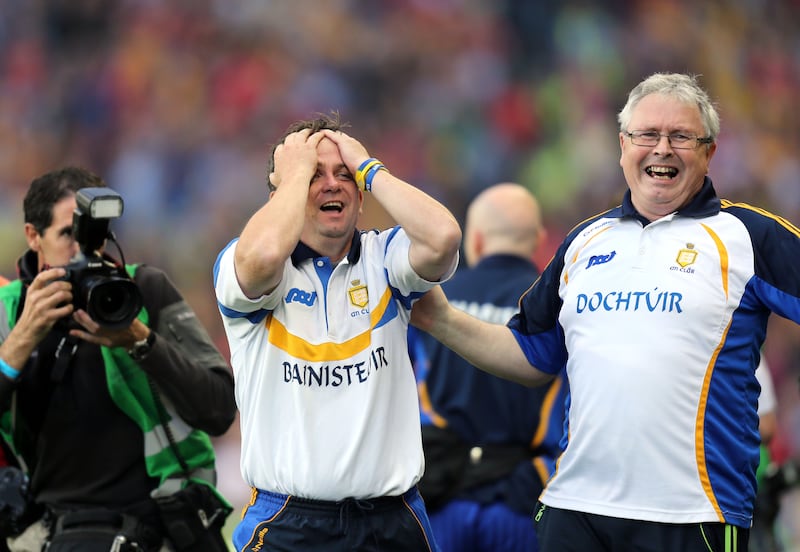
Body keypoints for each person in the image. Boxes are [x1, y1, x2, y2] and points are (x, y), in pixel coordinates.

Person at [410, 72, 800, 552]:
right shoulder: (583, 241)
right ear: (622, 145)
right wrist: (438, 318)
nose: (662, 149)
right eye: (647, 135)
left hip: (692, 515)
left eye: (681, 137)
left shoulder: (749, 236)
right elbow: (530, 355)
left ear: (709, 152)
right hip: (574, 511)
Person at [213, 113, 461, 552]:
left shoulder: (386, 258)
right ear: (283, 192)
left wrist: (371, 169)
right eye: (314, 175)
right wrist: (292, 176)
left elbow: (443, 239)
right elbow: (264, 255)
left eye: (344, 174)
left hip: (392, 522)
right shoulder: (248, 262)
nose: (332, 184)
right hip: (287, 522)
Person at [0, 167, 237, 551]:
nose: (81, 252)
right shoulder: (7, 313)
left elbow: (220, 409)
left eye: (91, 236)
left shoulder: (142, 290)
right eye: (66, 235)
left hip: (156, 525)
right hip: (52, 532)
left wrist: (141, 341)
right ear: (33, 237)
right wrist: (23, 337)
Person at [411, 183, 568, 552]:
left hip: (441, 499)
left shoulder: (432, 302)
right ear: (537, 240)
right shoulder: (560, 306)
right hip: (522, 503)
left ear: (476, 240)